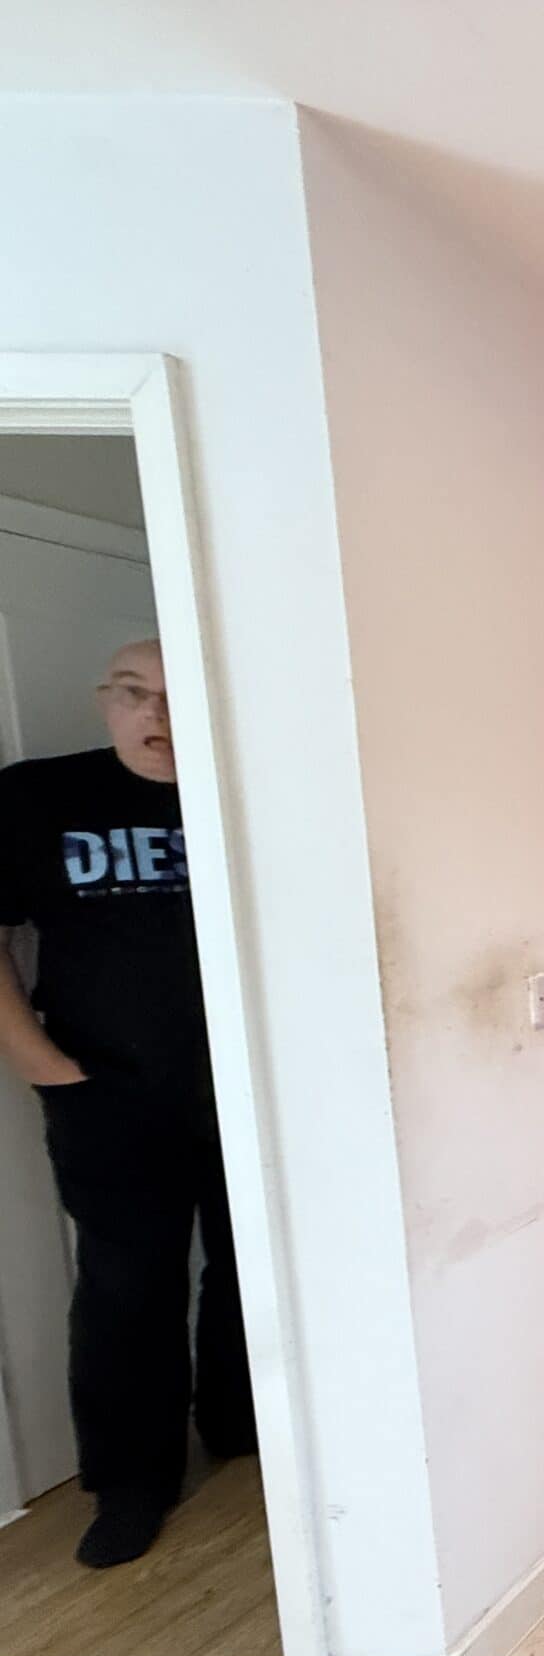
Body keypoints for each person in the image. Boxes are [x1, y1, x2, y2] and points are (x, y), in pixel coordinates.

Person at [0, 641, 253, 1567]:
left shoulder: (248, 791)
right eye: (137, 696)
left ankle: (238, 1424)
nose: (160, 721)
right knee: (125, 1286)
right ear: (105, 701)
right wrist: (42, 1065)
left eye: (181, 700)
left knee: (247, 1269)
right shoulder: (36, 799)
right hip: (108, 1091)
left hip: (253, 1090)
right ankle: (131, 1482)